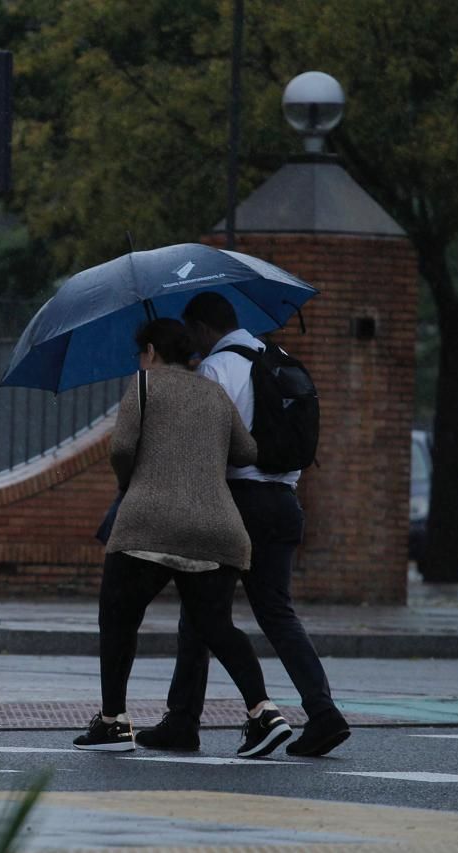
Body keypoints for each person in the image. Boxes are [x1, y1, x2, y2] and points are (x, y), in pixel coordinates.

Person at [135, 291, 351, 757]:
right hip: (284, 503)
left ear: (201, 328)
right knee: (277, 613)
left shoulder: (216, 370)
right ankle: (323, 711)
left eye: (192, 334)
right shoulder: (278, 358)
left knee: (200, 612)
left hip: (236, 503)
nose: (191, 345)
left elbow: (204, 447)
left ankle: (188, 720)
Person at [74, 318, 294, 758]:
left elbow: (120, 449)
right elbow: (246, 451)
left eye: (141, 354)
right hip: (218, 529)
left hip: (148, 523)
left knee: (118, 616)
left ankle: (114, 722)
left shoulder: (143, 385)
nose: (140, 361)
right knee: (217, 625)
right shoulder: (213, 392)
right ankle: (264, 713)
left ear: (151, 352)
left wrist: (128, 483)